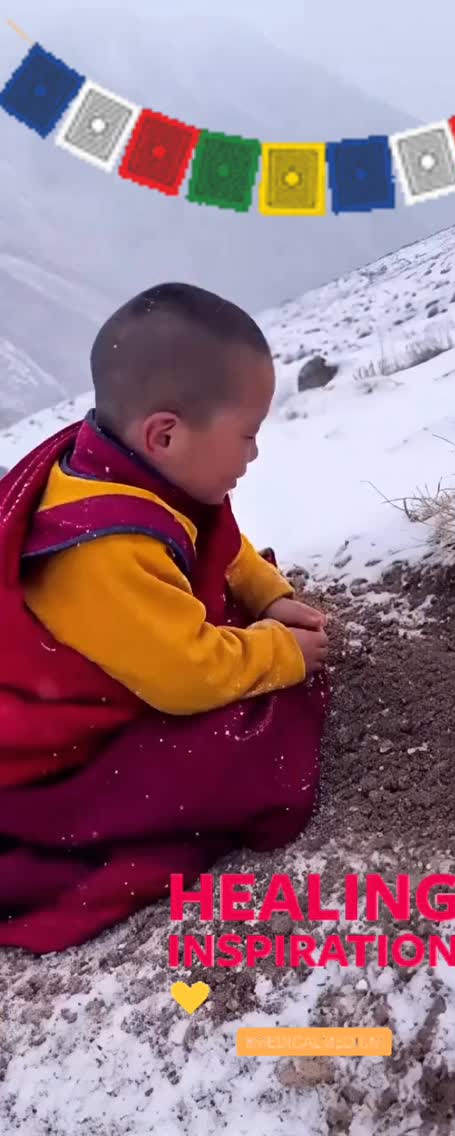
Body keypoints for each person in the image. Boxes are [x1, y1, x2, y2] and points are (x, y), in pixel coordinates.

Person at [0, 282, 330, 954]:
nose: (254, 455)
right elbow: (187, 677)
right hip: (39, 760)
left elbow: (221, 541)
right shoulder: (108, 547)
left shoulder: (123, 460)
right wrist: (282, 654)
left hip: (134, 648)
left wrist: (266, 597)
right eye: (246, 435)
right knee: (252, 751)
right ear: (167, 434)